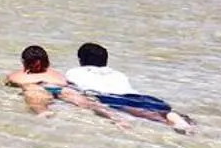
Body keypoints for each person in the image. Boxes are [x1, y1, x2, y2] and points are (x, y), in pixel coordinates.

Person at [64, 43, 194, 133]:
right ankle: (180, 122)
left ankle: (122, 122)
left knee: (141, 114)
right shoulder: (118, 73)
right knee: (164, 111)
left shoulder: (74, 72)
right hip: (142, 98)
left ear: (81, 60)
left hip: (110, 99)